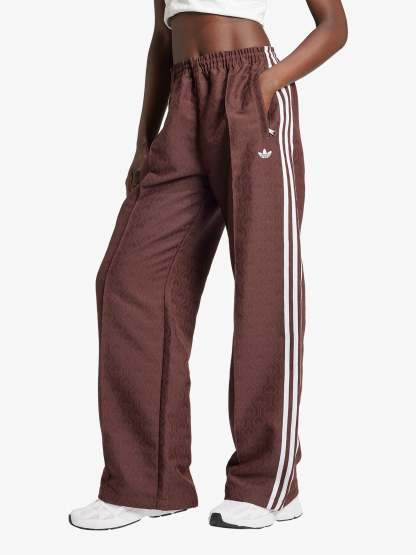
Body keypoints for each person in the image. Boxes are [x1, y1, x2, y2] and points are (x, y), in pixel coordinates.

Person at [70, 0, 347, 530]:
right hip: (182, 101)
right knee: (128, 281)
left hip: (250, 88)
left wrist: (266, 85)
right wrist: (143, 138)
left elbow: (334, 27)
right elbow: (161, 40)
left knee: (265, 283)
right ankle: (147, 483)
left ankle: (268, 483)